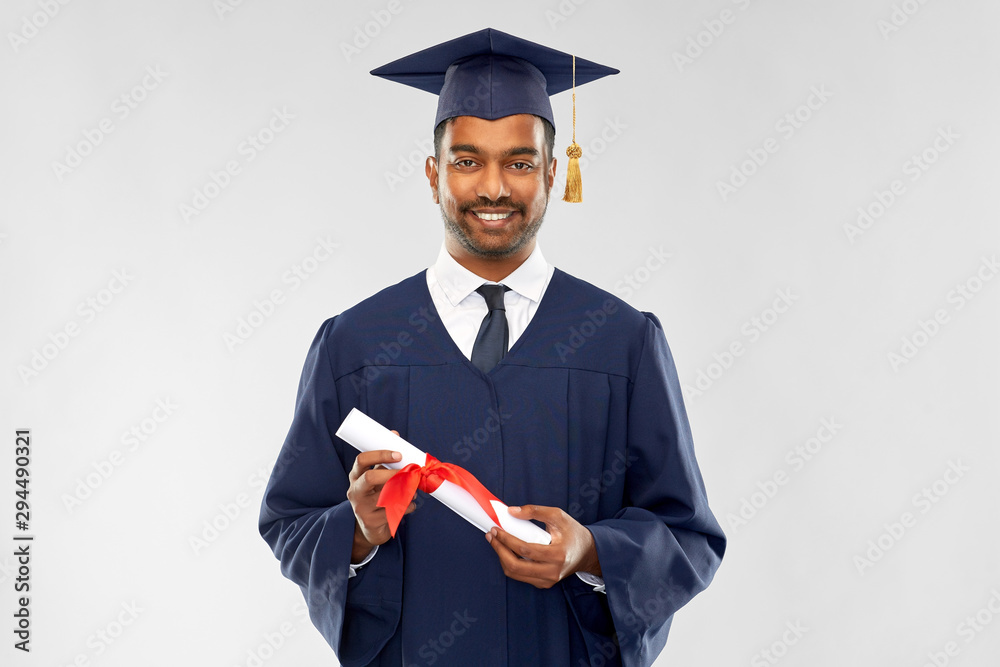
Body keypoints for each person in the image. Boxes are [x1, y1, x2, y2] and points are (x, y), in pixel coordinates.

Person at [259, 28, 725, 667]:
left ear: (553, 173)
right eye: (468, 160)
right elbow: (290, 521)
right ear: (433, 173)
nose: (494, 188)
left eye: (520, 162)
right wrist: (358, 533)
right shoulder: (356, 343)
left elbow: (688, 536)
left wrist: (589, 550)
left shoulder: (622, 341)